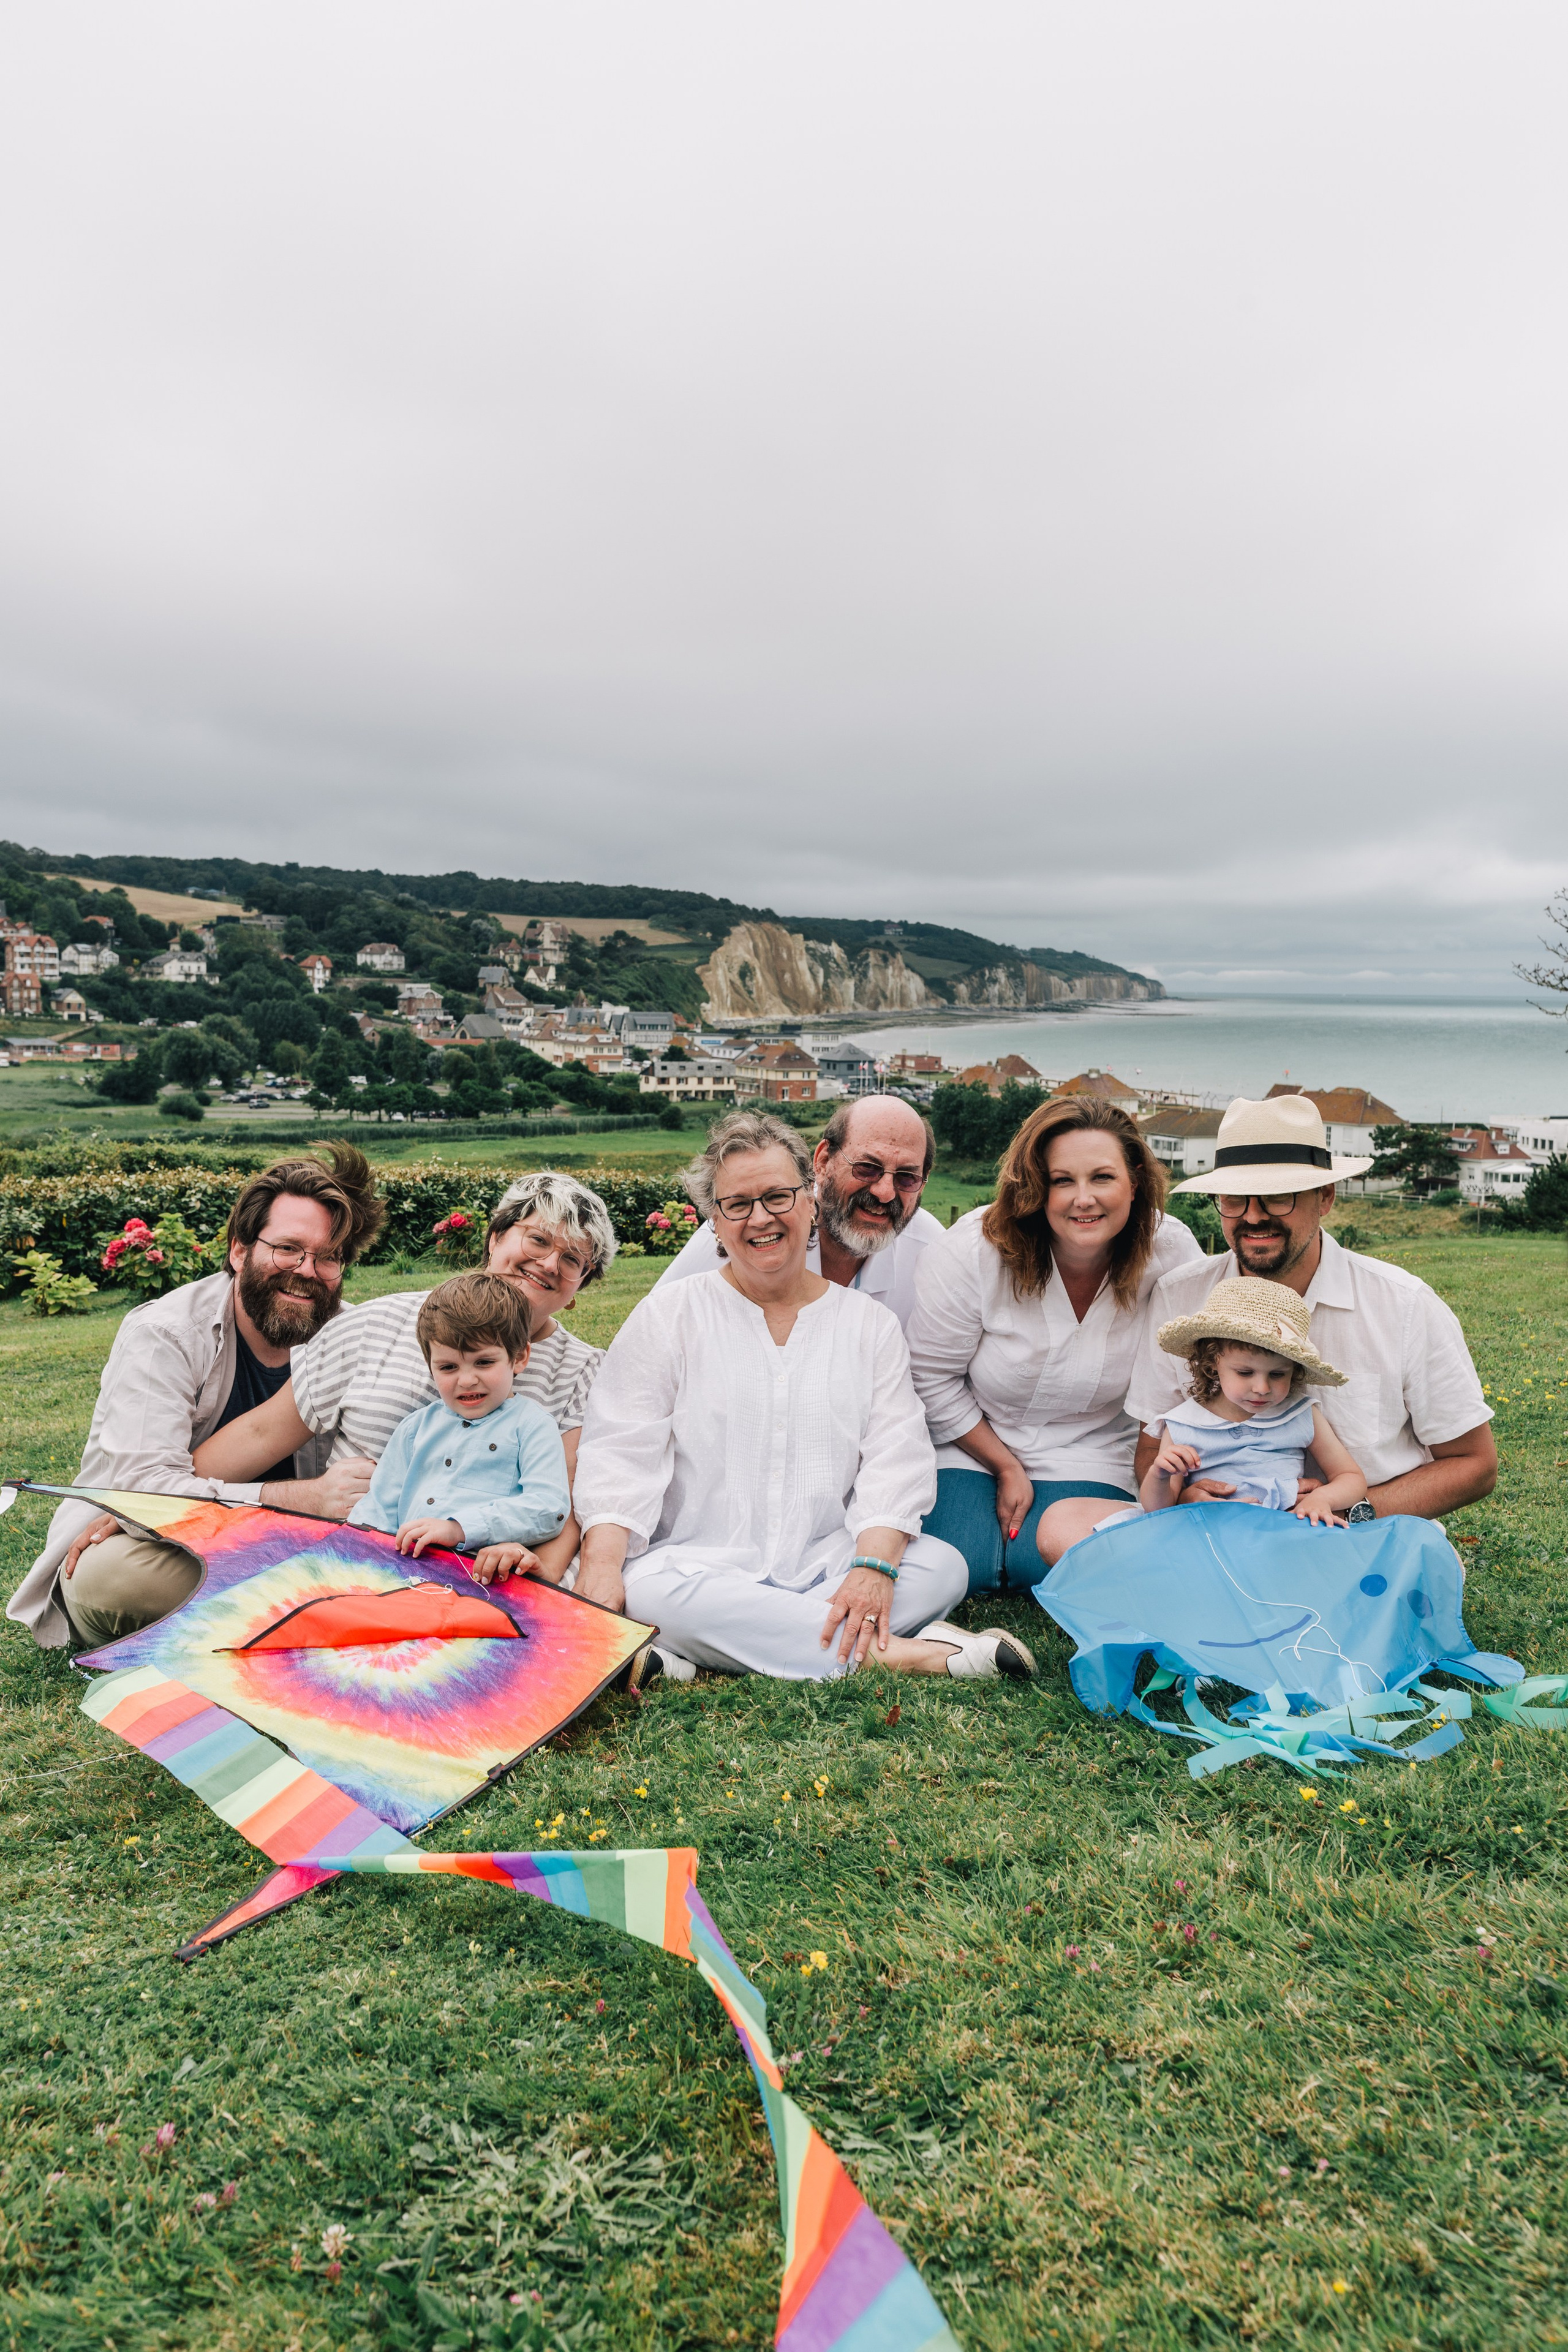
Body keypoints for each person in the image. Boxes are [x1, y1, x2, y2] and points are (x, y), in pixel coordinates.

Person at [572, 1110, 1035, 1684]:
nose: (760, 1218)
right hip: (699, 1558)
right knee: (645, 1589)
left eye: (777, 1197)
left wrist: (871, 1566)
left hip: (828, 1557)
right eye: (737, 1204)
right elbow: (622, 1447)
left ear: (811, 1200)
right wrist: (599, 1566)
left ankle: (706, 1650)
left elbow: (897, 1455)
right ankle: (905, 1655)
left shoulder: (871, 1326)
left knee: (943, 1567)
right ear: (715, 1222)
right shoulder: (670, 1314)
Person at [7, 1143, 385, 1649]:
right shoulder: (166, 1333)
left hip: (288, 1543)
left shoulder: (354, 1336)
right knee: (109, 1580)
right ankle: (316, 1611)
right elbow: (144, 1494)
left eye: (329, 1257)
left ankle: (279, 1615)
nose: (307, 1270)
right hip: (169, 1543)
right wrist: (304, 1501)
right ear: (239, 1250)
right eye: (288, 1248)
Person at [193, 1171, 613, 1580]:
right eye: (537, 1239)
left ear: (581, 1285)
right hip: (371, 1563)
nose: (549, 1264)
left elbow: (568, 1501)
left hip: (495, 1581)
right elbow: (261, 1436)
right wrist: (167, 1488)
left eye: (572, 1259)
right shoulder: (377, 1324)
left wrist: (541, 1579)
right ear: (495, 1238)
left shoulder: (583, 1372)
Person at [1117, 1091, 1496, 1535]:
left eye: (1278, 1197)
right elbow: (1149, 1452)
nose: (1253, 1217)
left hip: (1363, 1537)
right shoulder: (1179, 1297)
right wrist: (1185, 1497)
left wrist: (1347, 1513)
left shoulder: (1405, 1304)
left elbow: (1475, 1465)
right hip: (1221, 1536)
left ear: (1326, 1197)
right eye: (1235, 1199)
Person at [907, 1095, 1202, 1593]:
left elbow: (1192, 1379)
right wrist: (1005, 1465)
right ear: (1035, 1188)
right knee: (961, 1565)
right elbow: (931, 1377)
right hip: (973, 1440)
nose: (1082, 1199)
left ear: (1134, 1180)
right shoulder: (973, 1251)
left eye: (1102, 1177)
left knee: (1042, 1563)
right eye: (1062, 1180)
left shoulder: (1171, 1252)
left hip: (1093, 1445)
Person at [655, 1094, 943, 1329]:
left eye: (907, 1176)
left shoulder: (933, 1253)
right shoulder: (745, 1234)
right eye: (866, 1168)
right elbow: (655, 1330)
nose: (885, 1192)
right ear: (823, 1161)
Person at [349, 1272, 570, 1577]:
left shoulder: (531, 1426)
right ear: (431, 1367)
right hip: (401, 1572)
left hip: (481, 1578)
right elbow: (379, 1509)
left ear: (519, 1357)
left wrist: (460, 1529)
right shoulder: (415, 1429)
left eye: (484, 1362)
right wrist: (355, 1551)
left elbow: (549, 1507)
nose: (467, 1380)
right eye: (449, 1367)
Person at [1135, 1276, 1368, 1525]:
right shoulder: (1184, 1425)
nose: (1262, 1388)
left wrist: (1323, 1499)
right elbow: (1157, 1510)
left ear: (1294, 1370)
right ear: (1214, 1363)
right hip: (1213, 1534)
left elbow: (1351, 1477)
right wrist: (1159, 1475)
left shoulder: (1300, 1414)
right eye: (1245, 1373)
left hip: (1289, 1529)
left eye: (1278, 1374)